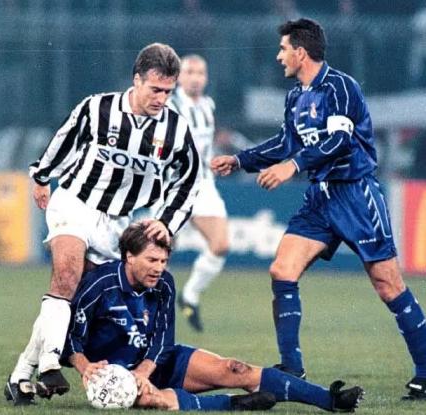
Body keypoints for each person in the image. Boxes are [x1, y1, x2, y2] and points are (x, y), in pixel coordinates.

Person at [211, 18, 426, 400]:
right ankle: (292, 369)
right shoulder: (296, 96)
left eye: (283, 49)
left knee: (388, 284)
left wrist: (292, 166)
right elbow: (285, 143)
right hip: (320, 197)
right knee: (282, 269)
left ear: (300, 51)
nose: (279, 56)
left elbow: (340, 140)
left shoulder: (340, 87)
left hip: (356, 195)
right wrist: (241, 160)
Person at [5, 43, 201, 405]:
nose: (161, 99)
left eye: (168, 92)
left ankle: (20, 374)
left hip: (118, 224)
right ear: (136, 80)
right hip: (76, 201)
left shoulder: (175, 129)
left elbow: (190, 180)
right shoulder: (97, 108)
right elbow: (64, 139)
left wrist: (167, 222)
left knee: (80, 297)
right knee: (66, 276)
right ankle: (50, 364)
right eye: (155, 89)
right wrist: (42, 176)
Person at [63, 221, 364, 412]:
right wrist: (87, 368)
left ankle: (331, 400)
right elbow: (70, 338)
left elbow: (163, 341)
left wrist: (144, 371)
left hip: (156, 362)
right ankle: (233, 405)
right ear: (129, 256)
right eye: (152, 260)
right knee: (154, 400)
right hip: (116, 375)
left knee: (236, 369)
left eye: (164, 260)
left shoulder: (164, 283)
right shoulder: (99, 285)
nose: (159, 268)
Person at [167, 54, 229, 332]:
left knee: (221, 244)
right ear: (179, 77)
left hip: (203, 184)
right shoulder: (169, 105)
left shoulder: (208, 105)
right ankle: (152, 306)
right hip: (172, 185)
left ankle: (190, 295)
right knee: (161, 249)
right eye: (189, 72)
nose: (195, 78)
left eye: (200, 73)